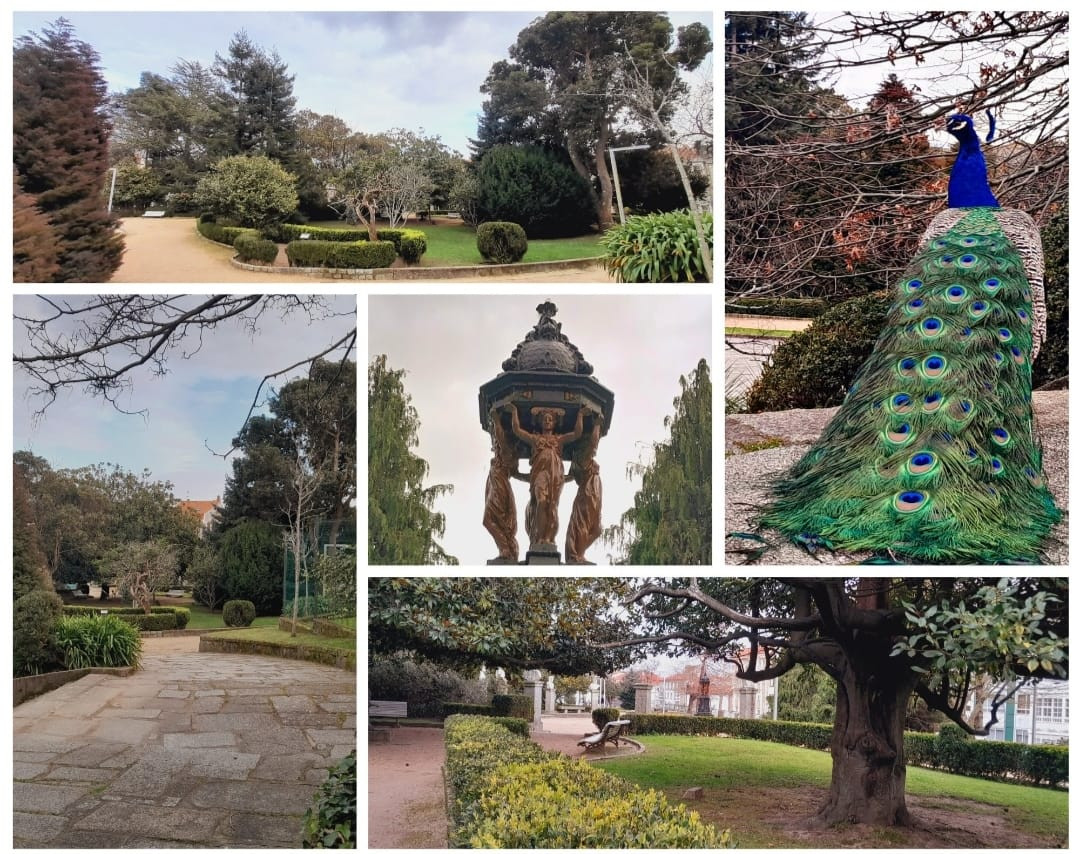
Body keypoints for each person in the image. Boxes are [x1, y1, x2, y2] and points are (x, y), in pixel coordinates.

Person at [507, 404, 584, 547]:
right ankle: (539, 537)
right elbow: (517, 430)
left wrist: (580, 414)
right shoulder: (535, 439)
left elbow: (577, 433)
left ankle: (548, 539)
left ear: (554, 423)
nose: (548, 421)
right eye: (545, 419)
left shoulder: (559, 440)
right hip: (540, 474)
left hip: (556, 476)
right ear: (541, 422)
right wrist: (514, 412)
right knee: (541, 502)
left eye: (550, 419)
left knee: (552, 506)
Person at [565, 413, 603, 563]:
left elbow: (568, 477)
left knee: (596, 529)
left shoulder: (579, 459)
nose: (593, 448)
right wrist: (597, 425)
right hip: (588, 494)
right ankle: (577, 555)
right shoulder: (582, 456)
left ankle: (577, 553)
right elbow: (594, 442)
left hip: (594, 494)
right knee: (583, 525)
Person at [483, 407, 519, 562]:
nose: (496, 443)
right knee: (495, 521)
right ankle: (506, 549)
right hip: (497, 484)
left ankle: (505, 549)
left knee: (488, 520)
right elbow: (518, 475)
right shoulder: (503, 454)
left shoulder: (506, 451)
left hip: (500, 486)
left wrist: (497, 420)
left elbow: (501, 437)